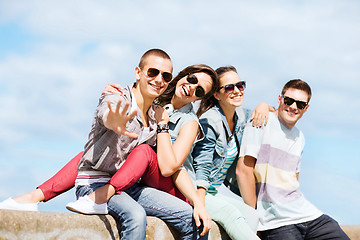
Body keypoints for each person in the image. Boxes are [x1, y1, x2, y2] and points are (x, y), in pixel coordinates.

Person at [0, 49, 212, 240]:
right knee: (136, 216)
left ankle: (33, 197)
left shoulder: (159, 115)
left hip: (132, 185)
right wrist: (114, 121)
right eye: (153, 72)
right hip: (96, 184)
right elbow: (107, 112)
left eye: (165, 76)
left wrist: (198, 203)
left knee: (194, 220)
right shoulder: (118, 97)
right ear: (138, 72)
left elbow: (174, 166)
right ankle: (33, 197)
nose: (159, 79)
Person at [237, 79, 350, 240]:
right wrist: (253, 218)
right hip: (276, 221)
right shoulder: (261, 121)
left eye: (300, 104)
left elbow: (293, 180)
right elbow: (243, 171)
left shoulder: (299, 137)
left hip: (307, 214)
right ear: (280, 99)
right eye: (289, 100)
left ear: (306, 108)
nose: (293, 107)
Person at [191, 66, 273, 240]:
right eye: (229, 88)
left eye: (240, 85)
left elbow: (270, 112)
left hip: (213, 191)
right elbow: (202, 165)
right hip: (196, 190)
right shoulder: (209, 121)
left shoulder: (241, 117)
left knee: (252, 215)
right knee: (231, 215)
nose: (236, 91)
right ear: (216, 94)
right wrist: (199, 202)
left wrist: (264, 105)